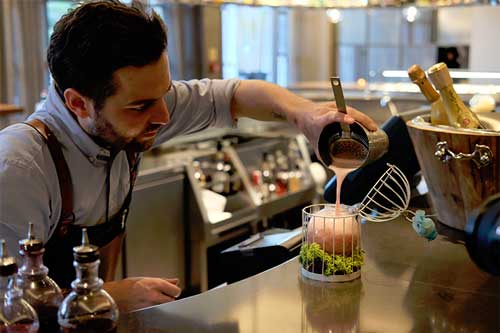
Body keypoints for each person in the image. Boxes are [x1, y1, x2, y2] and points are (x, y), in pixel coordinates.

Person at [0, 0, 377, 312]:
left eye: (164, 94)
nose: (163, 117)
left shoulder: (130, 112)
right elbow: (7, 306)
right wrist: (114, 294)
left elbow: (233, 95)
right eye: (141, 106)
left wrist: (305, 114)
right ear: (78, 103)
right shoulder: (20, 166)